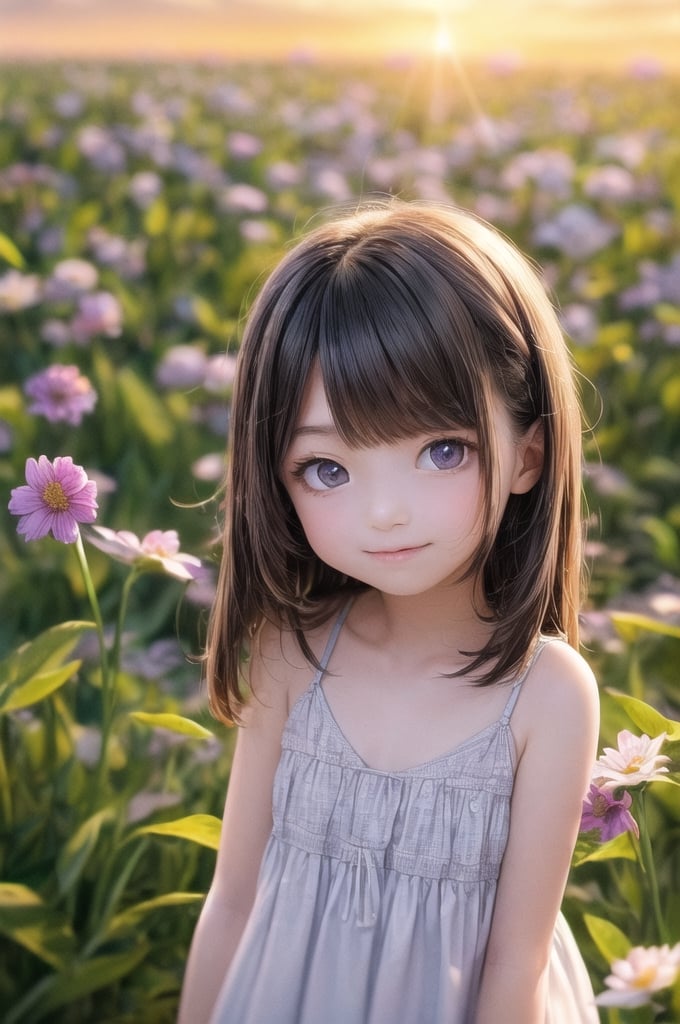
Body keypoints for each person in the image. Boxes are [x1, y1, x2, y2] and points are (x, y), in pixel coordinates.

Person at [178, 201, 600, 1024]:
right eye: (327, 468)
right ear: (273, 472)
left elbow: (515, 964)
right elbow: (232, 901)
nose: (384, 513)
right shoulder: (288, 656)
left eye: (442, 451)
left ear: (530, 455)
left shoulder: (547, 694)